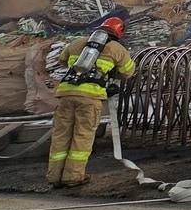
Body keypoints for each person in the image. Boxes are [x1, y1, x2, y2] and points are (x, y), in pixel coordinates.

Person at [46, 16, 135, 188]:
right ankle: (72, 177)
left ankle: (54, 176)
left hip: (66, 93)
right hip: (90, 98)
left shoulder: (77, 42)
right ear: (119, 32)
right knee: (82, 136)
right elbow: (128, 72)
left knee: (61, 135)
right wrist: (110, 72)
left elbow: (62, 59)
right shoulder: (117, 48)